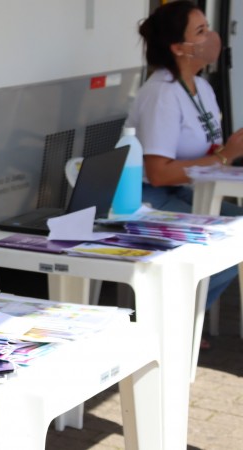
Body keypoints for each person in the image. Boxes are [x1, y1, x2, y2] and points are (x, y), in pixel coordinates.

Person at [126, 1, 243, 323]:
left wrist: (226, 154)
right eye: (201, 31)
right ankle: (174, 325)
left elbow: (209, 152)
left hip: (187, 193)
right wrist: (226, 155)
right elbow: (159, 173)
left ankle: (186, 320)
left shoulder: (201, 86)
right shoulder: (162, 93)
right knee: (228, 244)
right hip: (152, 199)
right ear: (179, 47)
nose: (213, 37)